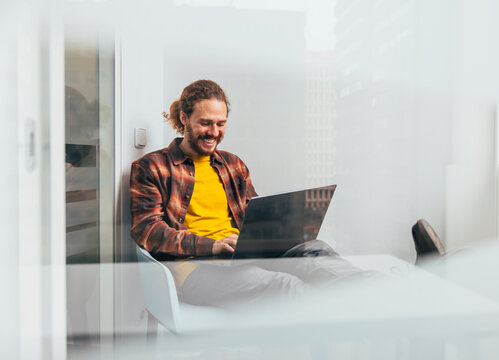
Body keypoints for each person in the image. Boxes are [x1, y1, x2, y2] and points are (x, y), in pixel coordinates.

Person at [130, 80, 373, 307]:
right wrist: (212, 246)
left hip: (243, 254)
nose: (214, 132)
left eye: (221, 123)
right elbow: (147, 230)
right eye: (205, 123)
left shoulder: (233, 164)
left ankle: (381, 292)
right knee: (289, 287)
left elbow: (254, 214)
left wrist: (284, 227)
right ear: (184, 118)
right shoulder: (151, 167)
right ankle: (357, 311)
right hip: (196, 268)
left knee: (315, 251)